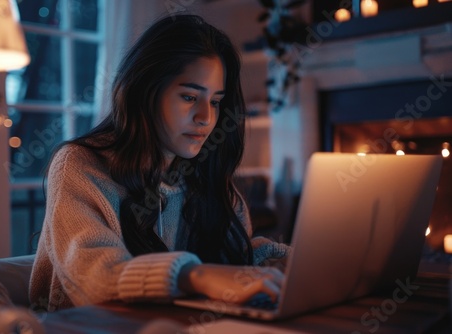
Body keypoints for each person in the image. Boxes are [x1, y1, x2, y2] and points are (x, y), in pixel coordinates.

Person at [29, 14, 289, 311]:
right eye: (190, 97)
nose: (206, 117)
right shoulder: (80, 165)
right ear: (145, 93)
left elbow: (238, 252)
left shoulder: (200, 173)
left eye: (215, 101)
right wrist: (197, 275)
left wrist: (314, 259)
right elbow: (96, 277)